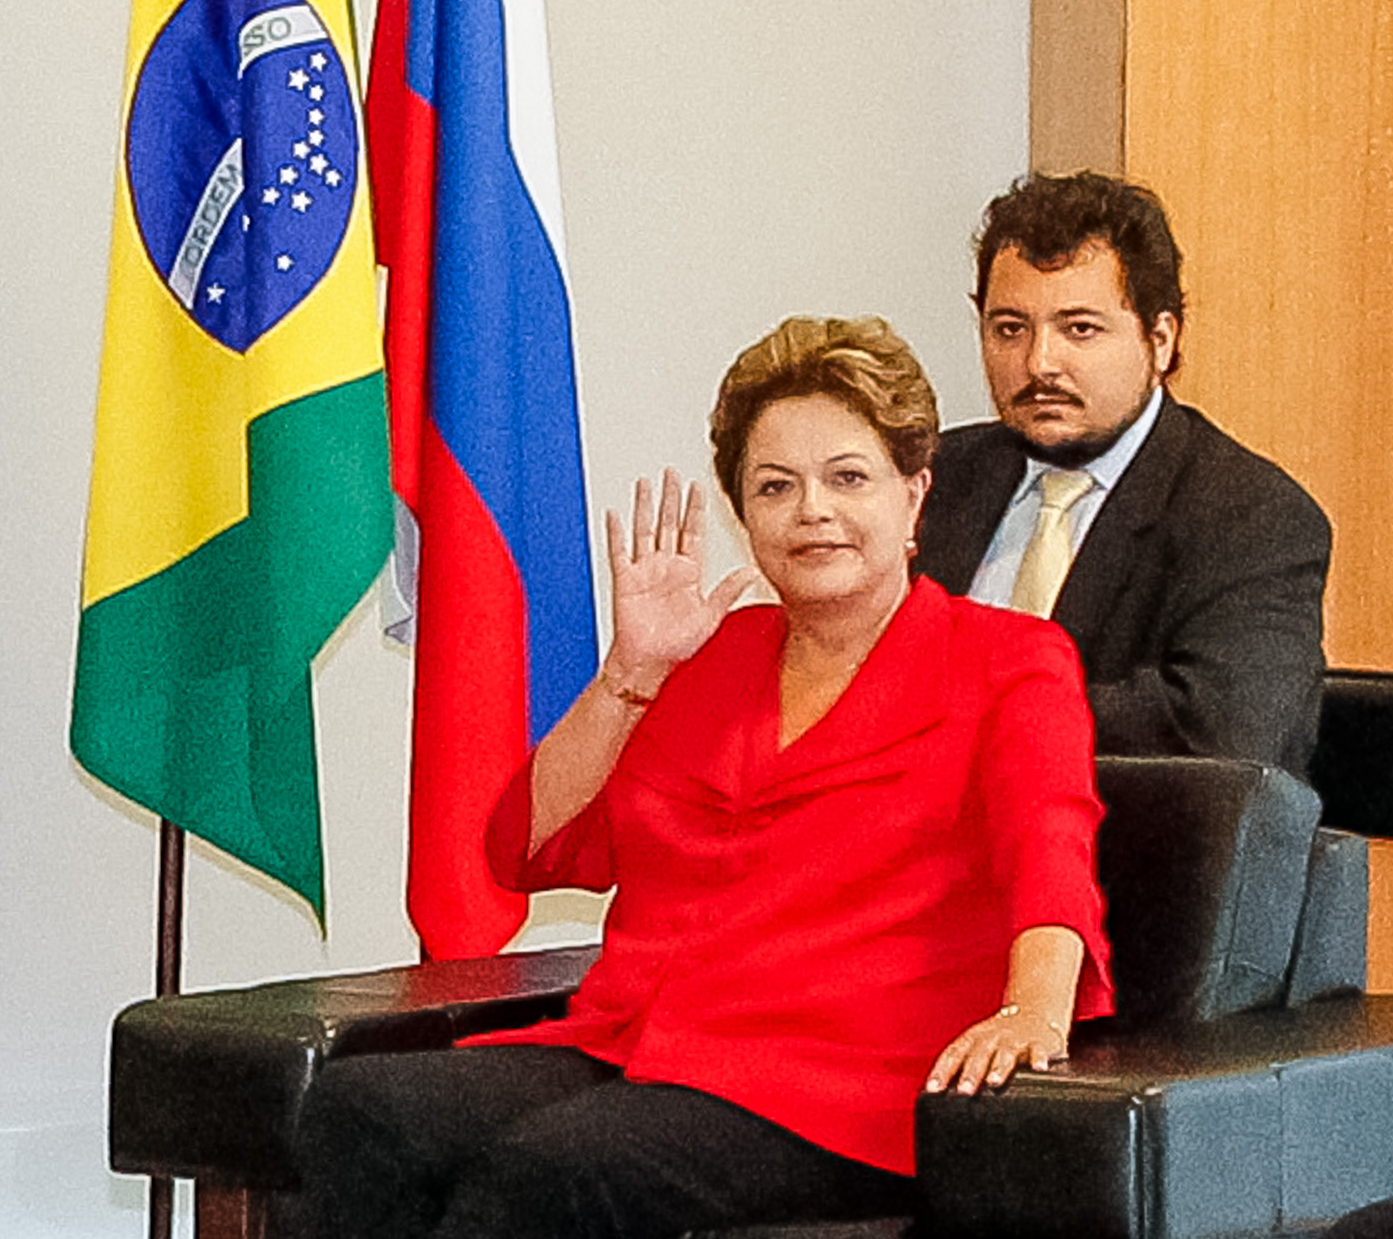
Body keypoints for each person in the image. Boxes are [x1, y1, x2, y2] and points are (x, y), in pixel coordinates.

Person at [290, 317, 1111, 1239]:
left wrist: (1034, 1011)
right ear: (743, 514)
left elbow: (1051, 850)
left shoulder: (1009, 661)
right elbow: (526, 849)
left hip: (841, 1081)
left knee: (557, 1171)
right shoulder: (709, 657)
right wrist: (630, 674)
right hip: (637, 1040)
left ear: (914, 496)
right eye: (776, 486)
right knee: (363, 1111)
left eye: (848, 478)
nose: (813, 510)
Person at [921, 171, 1328, 772]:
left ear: (1159, 339)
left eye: (1079, 329)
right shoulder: (933, 477)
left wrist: (969, 715)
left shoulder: (1251, 516)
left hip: (1115, 831)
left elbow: (1220, 733)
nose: (1039, 363)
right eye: (1010, 329)